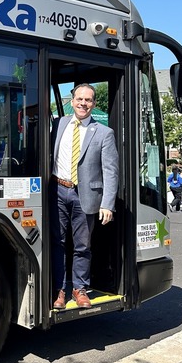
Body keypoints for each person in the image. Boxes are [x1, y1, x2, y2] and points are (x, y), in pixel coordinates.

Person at [50, 83, 119, 309]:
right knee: (57, 242)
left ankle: (80, 289)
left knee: (82, 246)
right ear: (72, 101)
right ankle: (59, 290)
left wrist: (107, 204)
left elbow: (111, 170)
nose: (83, 104)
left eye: (88, 100)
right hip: (58, 191)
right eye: (79, 99)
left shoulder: (104, 133)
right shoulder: (58, 125)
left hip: (86, 196)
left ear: (94, 104)